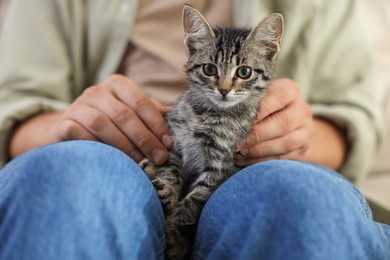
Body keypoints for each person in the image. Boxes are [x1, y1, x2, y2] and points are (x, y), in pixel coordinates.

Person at [0, 0, 389, 259]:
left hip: (263, 164)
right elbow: (14, 103)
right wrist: (68, 125)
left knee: (299, 198)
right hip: (109, 152)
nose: (224, 85)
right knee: (64, 180)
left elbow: (351, 115)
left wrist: (299, 139)